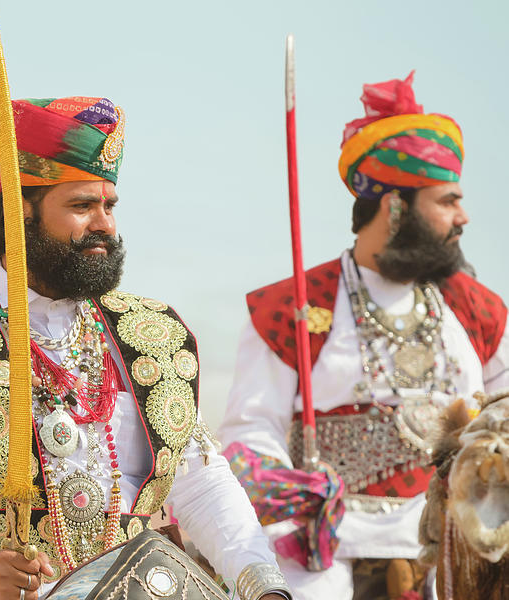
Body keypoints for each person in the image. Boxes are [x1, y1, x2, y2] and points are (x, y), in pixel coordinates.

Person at [0, 96, 291, 600]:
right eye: (81, 205)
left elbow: (202, 486)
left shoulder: (153, 333)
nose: (105, 225)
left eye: (109, 205)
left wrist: (263, 585)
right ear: (19, 213)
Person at [217, 73, 509, 599]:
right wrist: (298, 502)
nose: (463, 216)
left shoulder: (477, 309)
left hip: (449, 551)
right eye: (447, 200)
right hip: (325, 552)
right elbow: (248, 434)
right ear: (395, 205)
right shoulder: (292, 308)